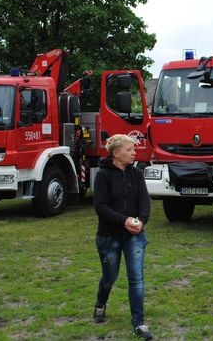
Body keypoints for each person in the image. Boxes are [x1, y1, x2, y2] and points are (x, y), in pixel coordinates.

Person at [93, 134, 152, 340]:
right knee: (110, 277)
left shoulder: (136, 174)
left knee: (136, 278)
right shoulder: (103, 176)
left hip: (134, 235)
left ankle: (139, 323)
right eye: (129, 150)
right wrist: (123, 220)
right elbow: (100, 207)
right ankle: (101, 303)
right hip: (109, 236)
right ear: (116, 153)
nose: (134, 152)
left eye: (134, 149)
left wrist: (141, 221)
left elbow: (144, 200)